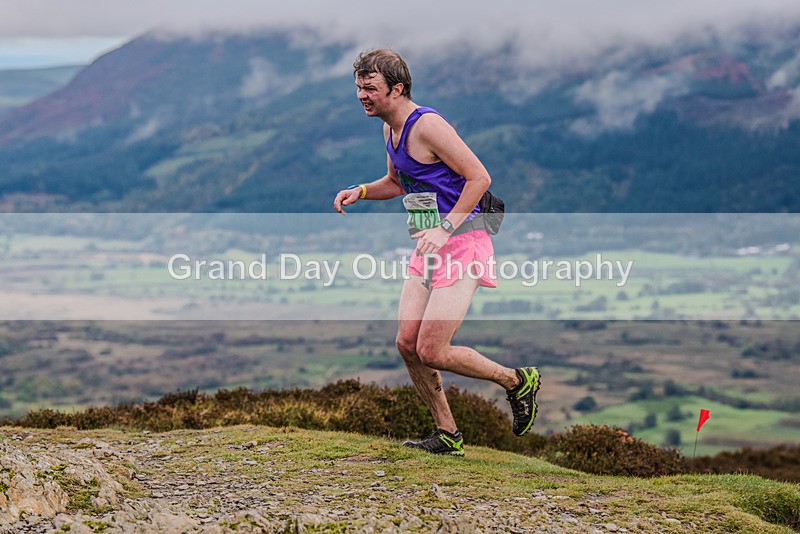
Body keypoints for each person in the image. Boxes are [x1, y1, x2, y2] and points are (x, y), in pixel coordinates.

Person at [333, 49, 540, 456]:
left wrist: (445, 229)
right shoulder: (389, 129)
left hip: (463, 242)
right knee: (408, 343)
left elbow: (479, 177)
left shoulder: (427, 125)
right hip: (430, 242)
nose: (362, 95)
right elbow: (398, 181)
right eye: (358, 87)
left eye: (370, 88)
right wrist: (361, 190)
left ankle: (517, 381)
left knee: (433, 349)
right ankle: (447, 433)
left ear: (398, 88)